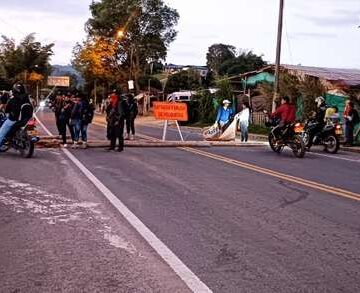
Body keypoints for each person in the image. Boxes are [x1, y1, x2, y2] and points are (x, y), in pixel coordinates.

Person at [0, 83, 33, 148]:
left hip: (14, 120)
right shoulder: (27, 98)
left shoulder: (12, 99)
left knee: (1, 134)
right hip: (26, 120)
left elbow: (7, 110)